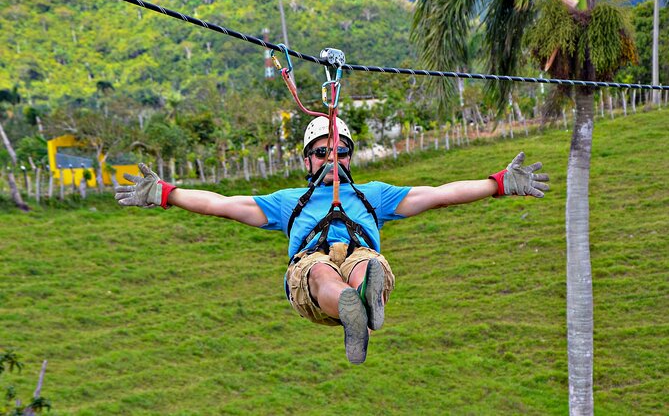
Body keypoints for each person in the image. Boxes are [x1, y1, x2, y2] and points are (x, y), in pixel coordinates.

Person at [115, 116, 549, 365]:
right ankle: (351, 305)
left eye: (340, 151)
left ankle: (365, 295)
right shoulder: (289, 202)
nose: (332, 158)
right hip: (309, 269)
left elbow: (437, 195)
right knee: (321, 271)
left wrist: (498, 183)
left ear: (348, 157)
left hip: (361, 256)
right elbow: (222, 203)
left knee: (364, 260)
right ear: (308, 160)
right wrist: (165, 193)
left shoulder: (373, 195)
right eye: (322, 152)